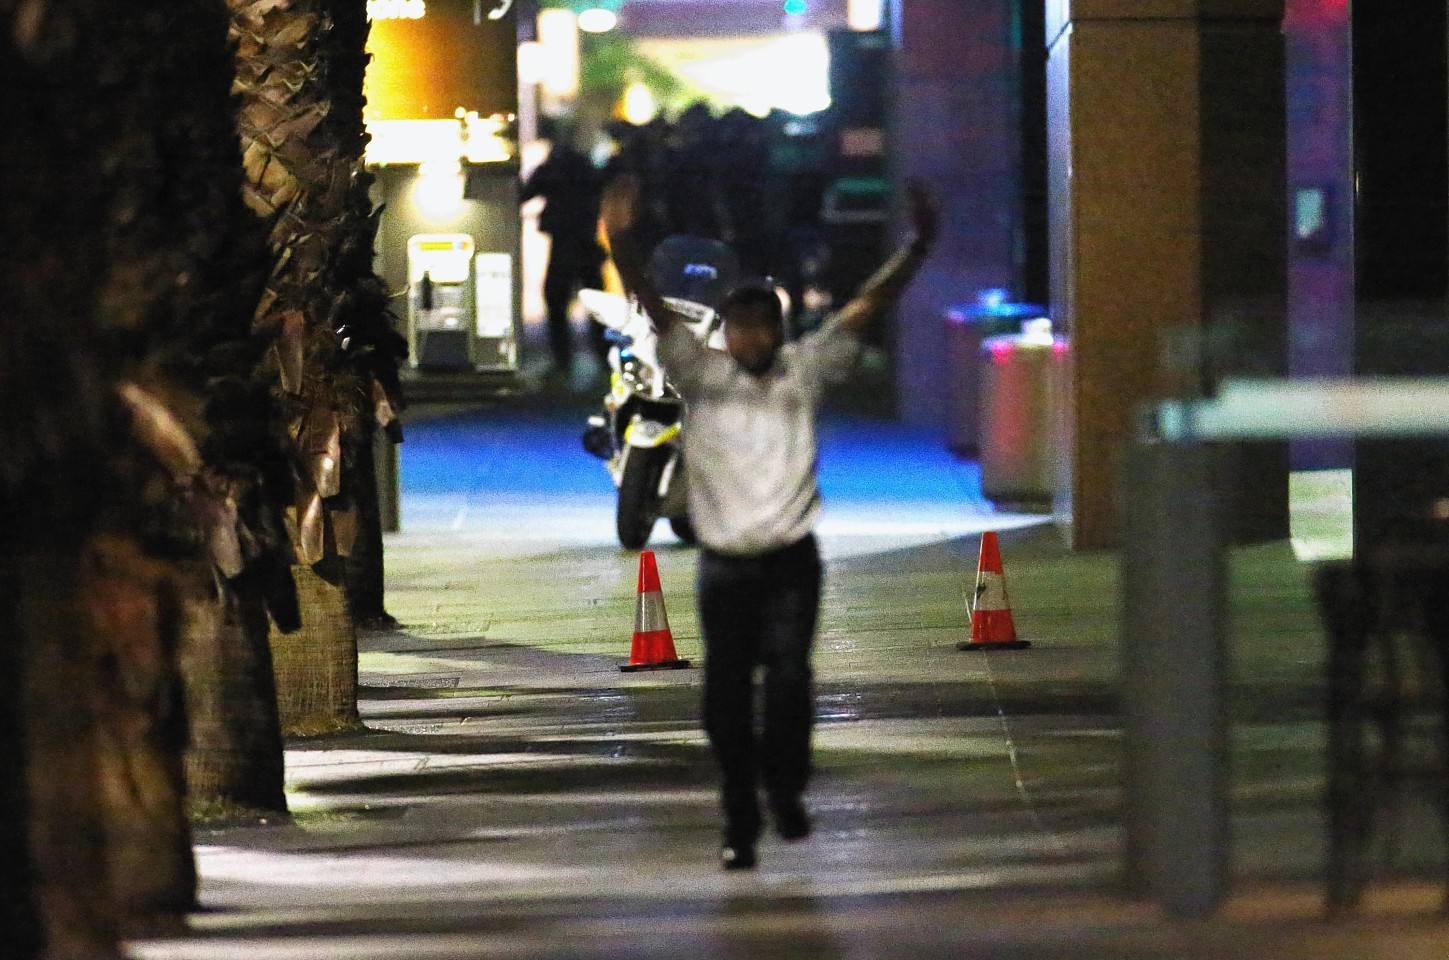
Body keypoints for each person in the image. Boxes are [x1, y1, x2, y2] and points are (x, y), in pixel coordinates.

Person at [601, 173, 939, 870]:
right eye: (739, 325)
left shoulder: (803, 370)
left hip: (790, 560)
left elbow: (868, 305)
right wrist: (619, 237)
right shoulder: (698, 372)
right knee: (725, 693)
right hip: (723, 564)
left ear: (778, 332)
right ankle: (738, 815)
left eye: (763, 325)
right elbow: (651, 305)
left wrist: (918, 245)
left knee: (787, 682)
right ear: (725, 333)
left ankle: (785, 790)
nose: (752, 336)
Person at [521, 128, 606, 377]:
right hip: (584, 246)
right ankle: (600, 358)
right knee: (593, 307)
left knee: (558, 301)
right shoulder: (586, 168)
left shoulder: (554, 169)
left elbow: (526, 192)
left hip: (567, 246)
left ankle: (564, 361)